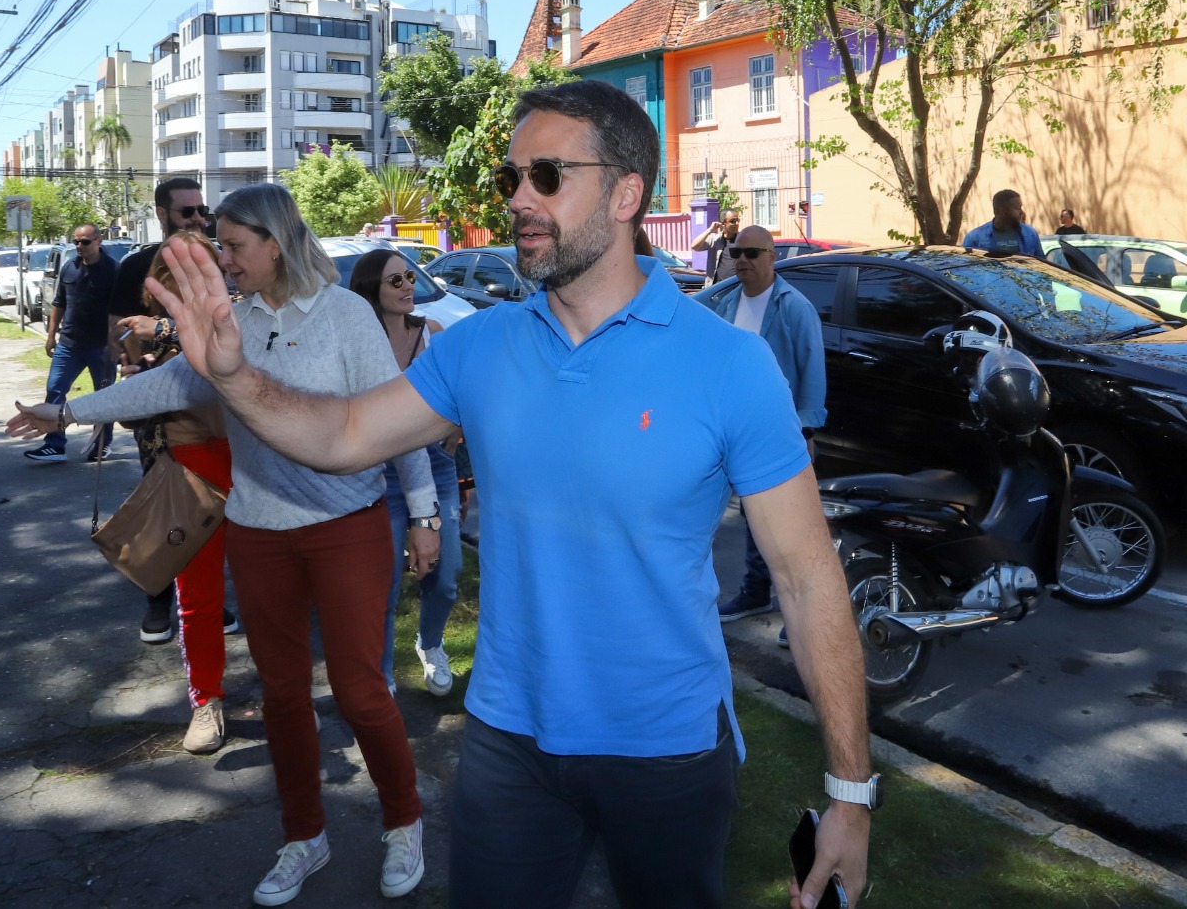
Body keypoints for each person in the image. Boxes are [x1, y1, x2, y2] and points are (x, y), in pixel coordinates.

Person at [142, 82, 875, 909]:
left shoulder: (731, 366)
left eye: (548, 175)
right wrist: (235, 375)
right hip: (507, 744)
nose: (518, 199)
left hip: (668, 750)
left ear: (627, 193)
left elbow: (811, 582)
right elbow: (341, 435)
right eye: (511, 178)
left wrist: (851, 795)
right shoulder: (481, 348)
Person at [11, 183, 438, 906]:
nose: (225, 260)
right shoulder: (228, 323)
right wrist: (65, 409)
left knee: (363, 694)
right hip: (259, 533)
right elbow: (167, 386)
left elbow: (397, 417)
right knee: (281, 697)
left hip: (348, 530)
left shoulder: (347, 317)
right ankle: (304, 835)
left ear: (276, 243)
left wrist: (424, 514)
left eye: (235, 246)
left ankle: (405, 821)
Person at [113, 231, 241, 754]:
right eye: (177, 270)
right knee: (198, 598)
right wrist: (133, 378)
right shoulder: (141, 335)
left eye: (202, 265)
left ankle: (287, 692)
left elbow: (220, 364)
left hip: (251, 464)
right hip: (188, 472)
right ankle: (205, 701)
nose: (191, 278)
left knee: (272, 588)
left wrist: (165, 331)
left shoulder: (236, 313)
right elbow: (126, 415)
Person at [704, 226, 827, 648]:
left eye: (752, 253)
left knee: (785, 530)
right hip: (730, 433)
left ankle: (802, 617)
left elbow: (812, 371)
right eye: (737, 252)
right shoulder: (727, 304)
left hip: (778, 435)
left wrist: (806, 430)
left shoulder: (793, 307)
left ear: (772, 256)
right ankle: (755, 595)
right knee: (747, 521)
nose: (742, 260)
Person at [347, 248, 462, 698]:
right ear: (371, 289)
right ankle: (383, 673)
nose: (408, 287)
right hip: (379, 475)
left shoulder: (432, 334)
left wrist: (458, 423)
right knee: (385, 584)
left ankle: (430, 645)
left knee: (446, 575)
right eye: (395, 281)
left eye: (410, 277)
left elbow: (463, 390)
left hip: (435, 467)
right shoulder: (357, 343)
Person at [106, 179, 214, 643]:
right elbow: (118, 336)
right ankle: (158, 599)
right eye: (186, 211)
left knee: (216, 503)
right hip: (158, 409)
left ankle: (208, 597)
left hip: (215, 407)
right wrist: (140, 361)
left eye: (200, 210)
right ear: (162, 212)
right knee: (167, 502)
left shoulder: (215, 259)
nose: (196, 219)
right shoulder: (135, 266)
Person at [24, 224, 119, 464]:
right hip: (69, 345)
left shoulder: (113, 270)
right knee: (55, 389)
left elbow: (119, 310)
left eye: (85, 242)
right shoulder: (69, 267)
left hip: (102, 346)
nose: (79, 246)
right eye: (76, 241)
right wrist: (51, 335)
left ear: (98, 241)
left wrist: (115, 342)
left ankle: (101, 445)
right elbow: (59, 303)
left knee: (105, 398)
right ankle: (55, 446)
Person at [962, 188, 1041, 255]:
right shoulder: (974, 238)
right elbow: (965, 269)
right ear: (1002, 210)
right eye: (1017, 208)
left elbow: (1042, 266)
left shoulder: (1030, 233)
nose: (1022, 212)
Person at [691, 207, 743, 284]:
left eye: (737, 220)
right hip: (717, 288)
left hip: (737, 286)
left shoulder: (743, 240)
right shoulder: (715, 239)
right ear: (723, 223)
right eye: (733, 221)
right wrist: (710, 229)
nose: (737, 224)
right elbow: (694, 246)